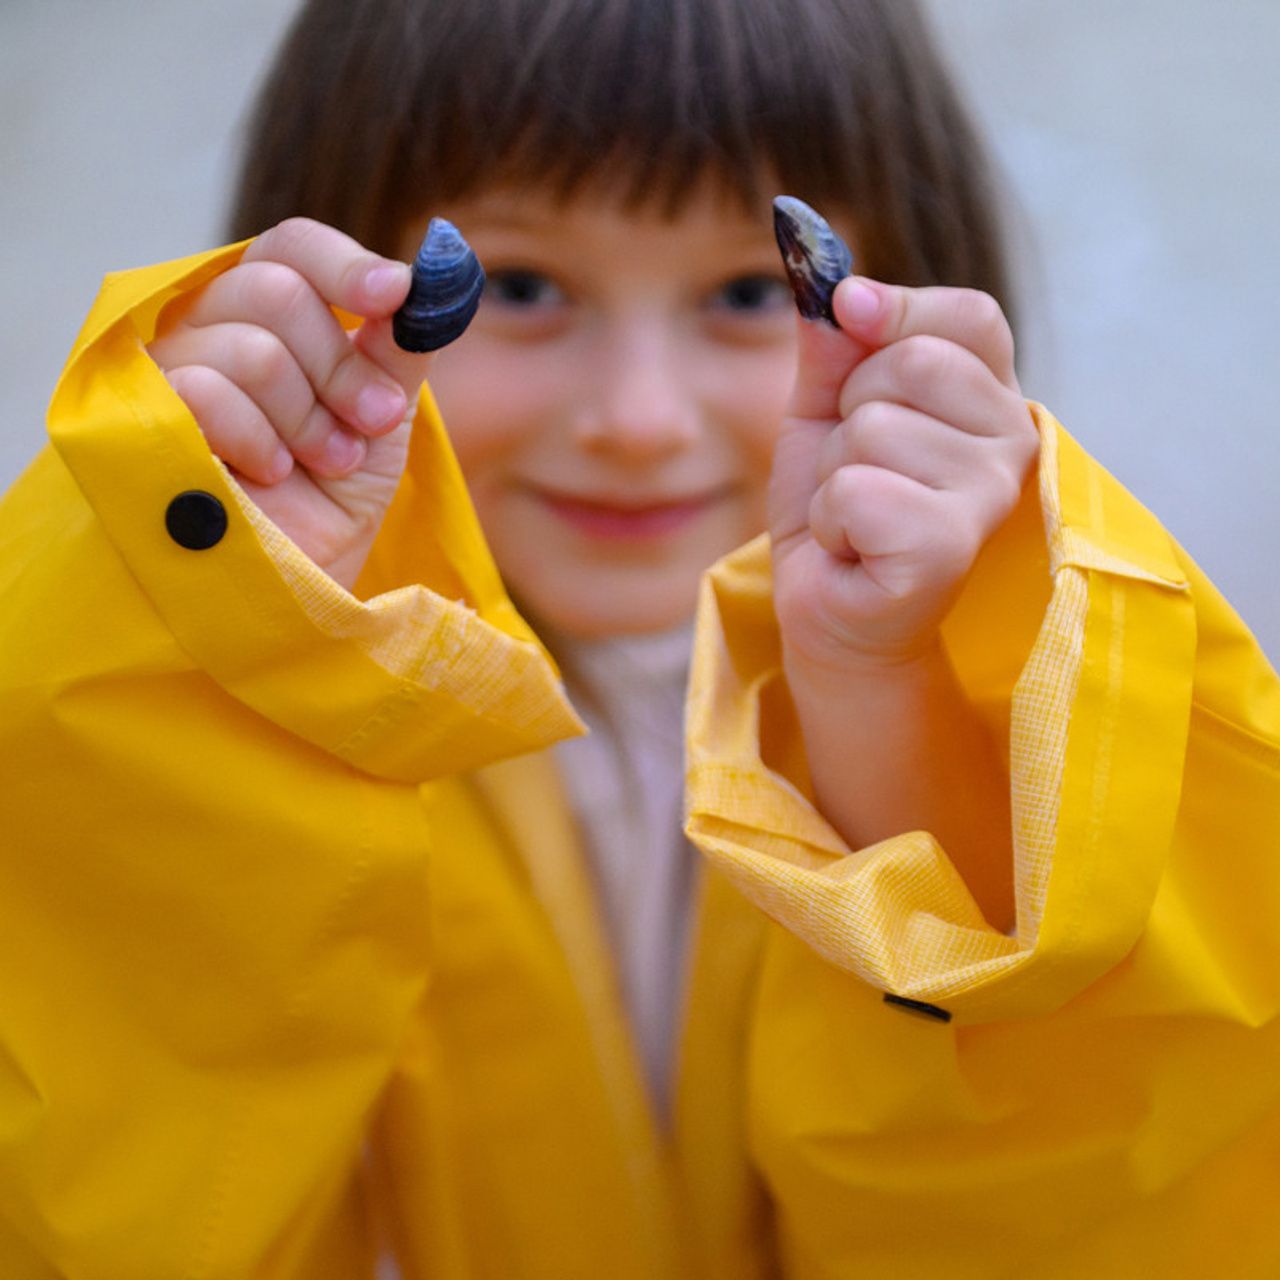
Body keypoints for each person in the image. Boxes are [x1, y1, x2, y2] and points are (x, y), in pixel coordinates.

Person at [0, 1, 1277, 1276]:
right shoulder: (171, 693)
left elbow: (1107, 1217)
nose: (636, 418)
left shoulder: (1066, 713)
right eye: (516, 284)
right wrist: (210, 641)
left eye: (741, 290)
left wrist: (886, 704)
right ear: (311, 279)